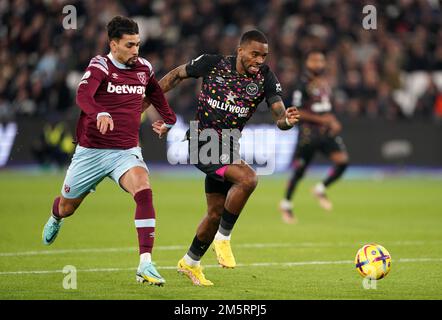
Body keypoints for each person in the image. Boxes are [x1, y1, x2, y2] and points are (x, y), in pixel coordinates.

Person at [41, 16, 177, 286]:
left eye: (138, 44)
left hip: (125, 151)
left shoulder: (143, 68)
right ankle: (56, 216)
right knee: (68, 207)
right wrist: (99, 111)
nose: (136, 51)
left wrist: (169, 120)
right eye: (130, 45)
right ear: (114, 45)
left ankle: (145, 264)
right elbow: (83, 97)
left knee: (144, 190)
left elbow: (157, 94)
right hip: (91, 152)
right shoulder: (100, 65)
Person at [157, 30, 300, 286]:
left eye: (264, 55)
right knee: (249, 178)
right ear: (240, 50)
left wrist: (286, 120)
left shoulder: (265, 77)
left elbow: (279, 114)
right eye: (254, 54)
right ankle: (223, 238)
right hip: (202, 140)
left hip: (228, 146)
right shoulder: (213, 63)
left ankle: (190, 262)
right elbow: (177, 74)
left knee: (214, 213)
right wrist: (149, 100)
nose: (259, 60)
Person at [279, 50, 349, 224]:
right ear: (308, 63)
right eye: (314, 60)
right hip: (309, 134)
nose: (318, 64)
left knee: (342, 161)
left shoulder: (324, 83)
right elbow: (297, 111)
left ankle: (320, 188)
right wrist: (323, 120)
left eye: (321, 61)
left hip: (325, 132)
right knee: (300, 171)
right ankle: (286, 204)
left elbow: (323, 108)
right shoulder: (301, 84)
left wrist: (332, 120)